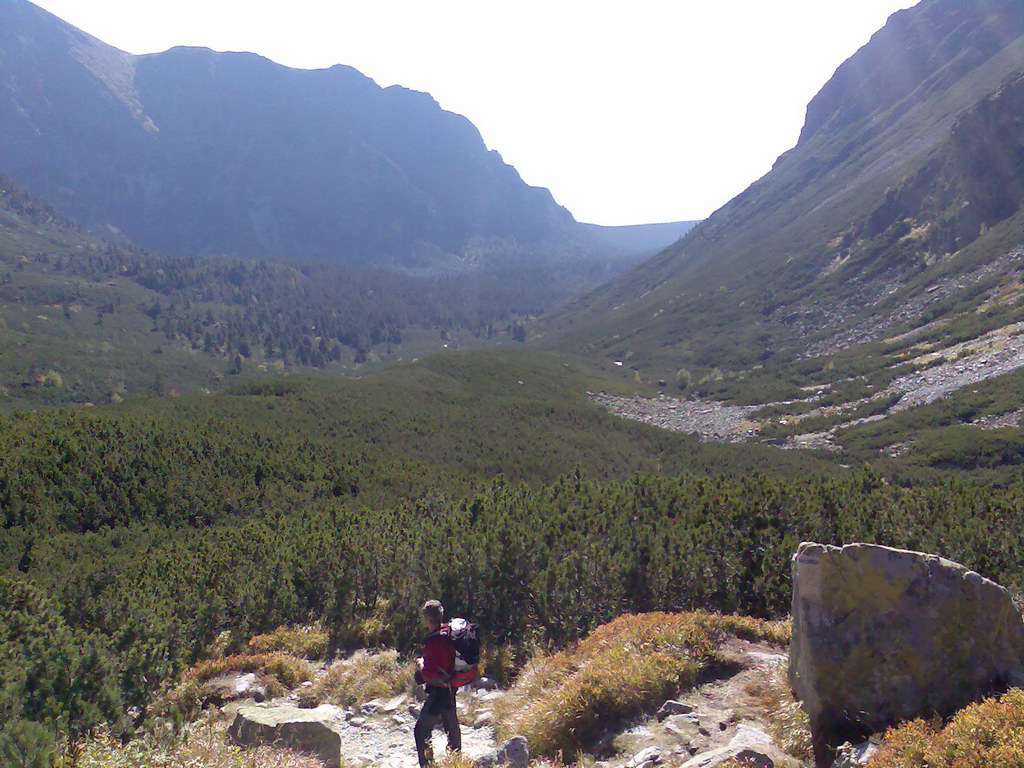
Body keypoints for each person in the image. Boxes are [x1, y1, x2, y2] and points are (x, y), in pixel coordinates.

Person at [414, 599, 461, 767]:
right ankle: (456, 762)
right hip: (452, 685)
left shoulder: (434, 641)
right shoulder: (448, 632)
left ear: (427, 618)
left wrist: (420, 664)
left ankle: (428, 765)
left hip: (439, 689)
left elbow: (428, 674)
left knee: (421, 730)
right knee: (451, 725)